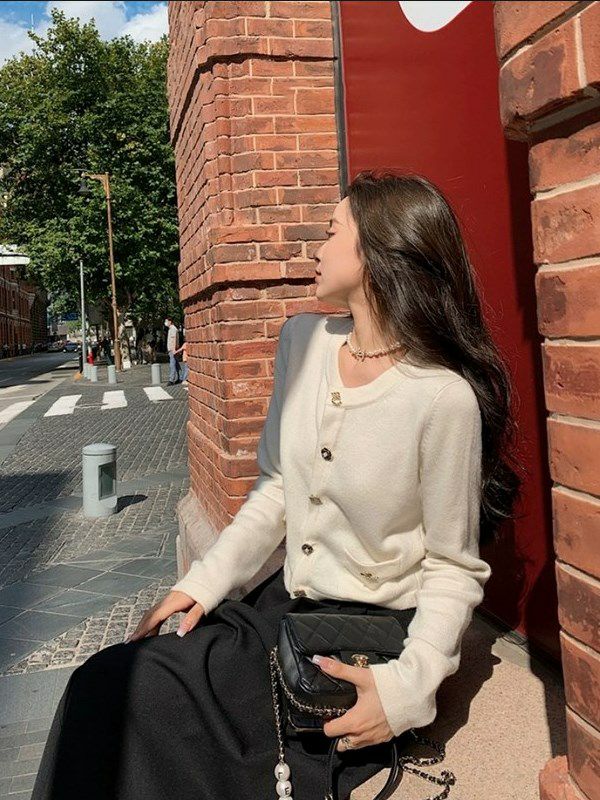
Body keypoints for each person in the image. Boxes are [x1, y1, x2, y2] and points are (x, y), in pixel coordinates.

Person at [31, 170, 523, 800]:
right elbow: (275, 492)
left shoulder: (442, 397)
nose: (317, 249)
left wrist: (407, 690)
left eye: (332, 232)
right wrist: (202, 583)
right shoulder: (303, 342)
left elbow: (453, 569)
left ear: (379, 252)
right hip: (281, 607)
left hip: (364, 635)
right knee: (105, 686)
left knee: (149, 706)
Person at [165, 316, 180, 385]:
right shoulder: (171, 329)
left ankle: (171, 380)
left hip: (172, 349)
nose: (165, 323)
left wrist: (173, 349)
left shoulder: (173, 329)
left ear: (170, 322)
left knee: (172, 364)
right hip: (172, 349)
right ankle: (180, 377)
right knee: (176, 364)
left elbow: (174, 339)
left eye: (166, 321)